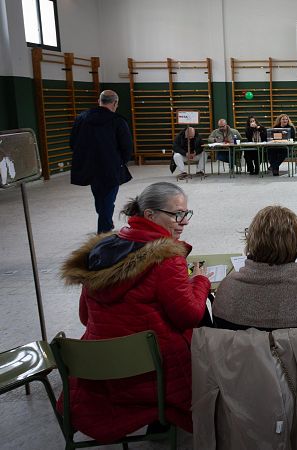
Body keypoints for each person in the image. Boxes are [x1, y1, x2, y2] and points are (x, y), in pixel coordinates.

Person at [59, 182, 211, 442]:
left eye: (185, 213)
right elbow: (189, 316)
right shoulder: (167, 258)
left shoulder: (102, 250)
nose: (183, 221)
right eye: (176, 214)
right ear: (150, 214)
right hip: (152, 372)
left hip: (98, 370)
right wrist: (199, 282)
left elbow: (85, 316)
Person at [212, 205, 297, 376]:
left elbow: (221, 328)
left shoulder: (227, 287)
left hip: (242, 385)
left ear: (251, 240)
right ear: (295, 244)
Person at [69, 90, 133, 234]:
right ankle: (104, 230)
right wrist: (120, 162)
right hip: (111, 166)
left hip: (89, 166)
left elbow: (72, 143)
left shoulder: (81, 118)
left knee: (99, 196)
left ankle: (105, 223)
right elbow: (126, 147)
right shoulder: (117, 120)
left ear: (100, 101)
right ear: (115, 103)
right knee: (108, 198)